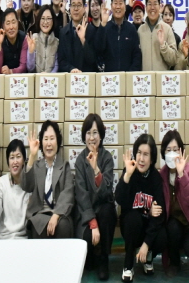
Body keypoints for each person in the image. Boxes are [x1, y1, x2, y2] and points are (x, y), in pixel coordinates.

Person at [116, 134, 166, 283]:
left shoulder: (156, 178)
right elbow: (120, 200)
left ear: (152, 159)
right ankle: (128, 264)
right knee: (133, 218)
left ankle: (148, 256)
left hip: (147, 228)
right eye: (139, 153)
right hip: (131, 225)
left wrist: (146, 244)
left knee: (163, 235)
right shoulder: (130, 171)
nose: (141, 159)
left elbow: (159, 214)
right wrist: (126, 176)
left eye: (146, 154)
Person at [73, 114, 117, 281]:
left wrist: (96, 170)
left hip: (104, 211)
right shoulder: (79, 160)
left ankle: (104, 260)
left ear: (101, 135)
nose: (91, 138)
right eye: (88, 133)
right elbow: (81, 195)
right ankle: (93, 256)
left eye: (95, 133)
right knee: (88, 256)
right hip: (87, 213)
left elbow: (107, 192)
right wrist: (92, 222)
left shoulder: (107, 158)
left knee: (106, 212)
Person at [159, 130, 189, 276]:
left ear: (181, 152)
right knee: (171, 228)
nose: (172, 154)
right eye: (168, 150)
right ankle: (174, 263)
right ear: (163, 153)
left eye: (175, 150)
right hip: (175, 223)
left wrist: (182, 174)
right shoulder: (162, 175)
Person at [22, 120, 75, 239]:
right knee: (38, 226)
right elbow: (26, 186)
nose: (49, 143)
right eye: (45, 139)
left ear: (58, 141)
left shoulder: (64, 166)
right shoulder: (36, 166)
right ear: (41, 142)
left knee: (63, 226)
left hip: (59, 214)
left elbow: (68, 193)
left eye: (52, 138)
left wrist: (56, 215)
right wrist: (32, 156)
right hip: (40, 213)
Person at [0, 139, 30, 240]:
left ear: (24, 161)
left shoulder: (29, 184)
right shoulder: (2, 182)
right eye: (12, 157)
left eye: (18, 157)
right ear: (8, 163)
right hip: (2, 238)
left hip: (22, 239)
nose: (15, 161)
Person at [94, 0, 142, 72]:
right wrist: (103, 23)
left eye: (120, 3)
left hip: (127, 77)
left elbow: (137, 56)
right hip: (109, 78)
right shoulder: (105, 27)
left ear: (125, 6)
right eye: (115, 3)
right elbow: (98, 49)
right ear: (111, 6)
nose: (118, 7)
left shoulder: (131, 29)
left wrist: (129, 75)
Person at [137, 0, 178, 71]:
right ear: (146, 7)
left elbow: (173, 60)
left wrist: (163, 45)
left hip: (161, 78)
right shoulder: (140, 30)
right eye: (149, 4)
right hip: (145, 78)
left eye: (155, 4)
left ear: (159, 7)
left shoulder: (167, 29)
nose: (152, 7)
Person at [58, 0, 97, 73]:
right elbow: (61, 61)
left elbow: (93, 60)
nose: (76, 9)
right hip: (69, 77)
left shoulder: (91, 30)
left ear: (84, 8)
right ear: (70, 8)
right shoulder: (63, 32)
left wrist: (83, 40)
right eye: (73, 5)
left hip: (86, 77)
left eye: (79, 5)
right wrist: (71, 69)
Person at [0, 8, 28, 74]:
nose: (11, 27)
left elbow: (23, 67)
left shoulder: (24, 38)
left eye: (13, 22)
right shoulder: (1, 39)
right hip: (5, 79)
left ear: (18, 23)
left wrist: (10, 71)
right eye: (8, 23)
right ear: (3, 26)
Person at [26, 4, 59, 73]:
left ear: (53, 20)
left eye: (48, 18)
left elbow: (56, 67)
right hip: (36, 79)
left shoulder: (57, 42)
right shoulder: (34, 39)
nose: (45, 22)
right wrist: (31, 52)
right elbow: (30, 68)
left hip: (51, 79)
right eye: (43, 18)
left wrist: (47, 76)